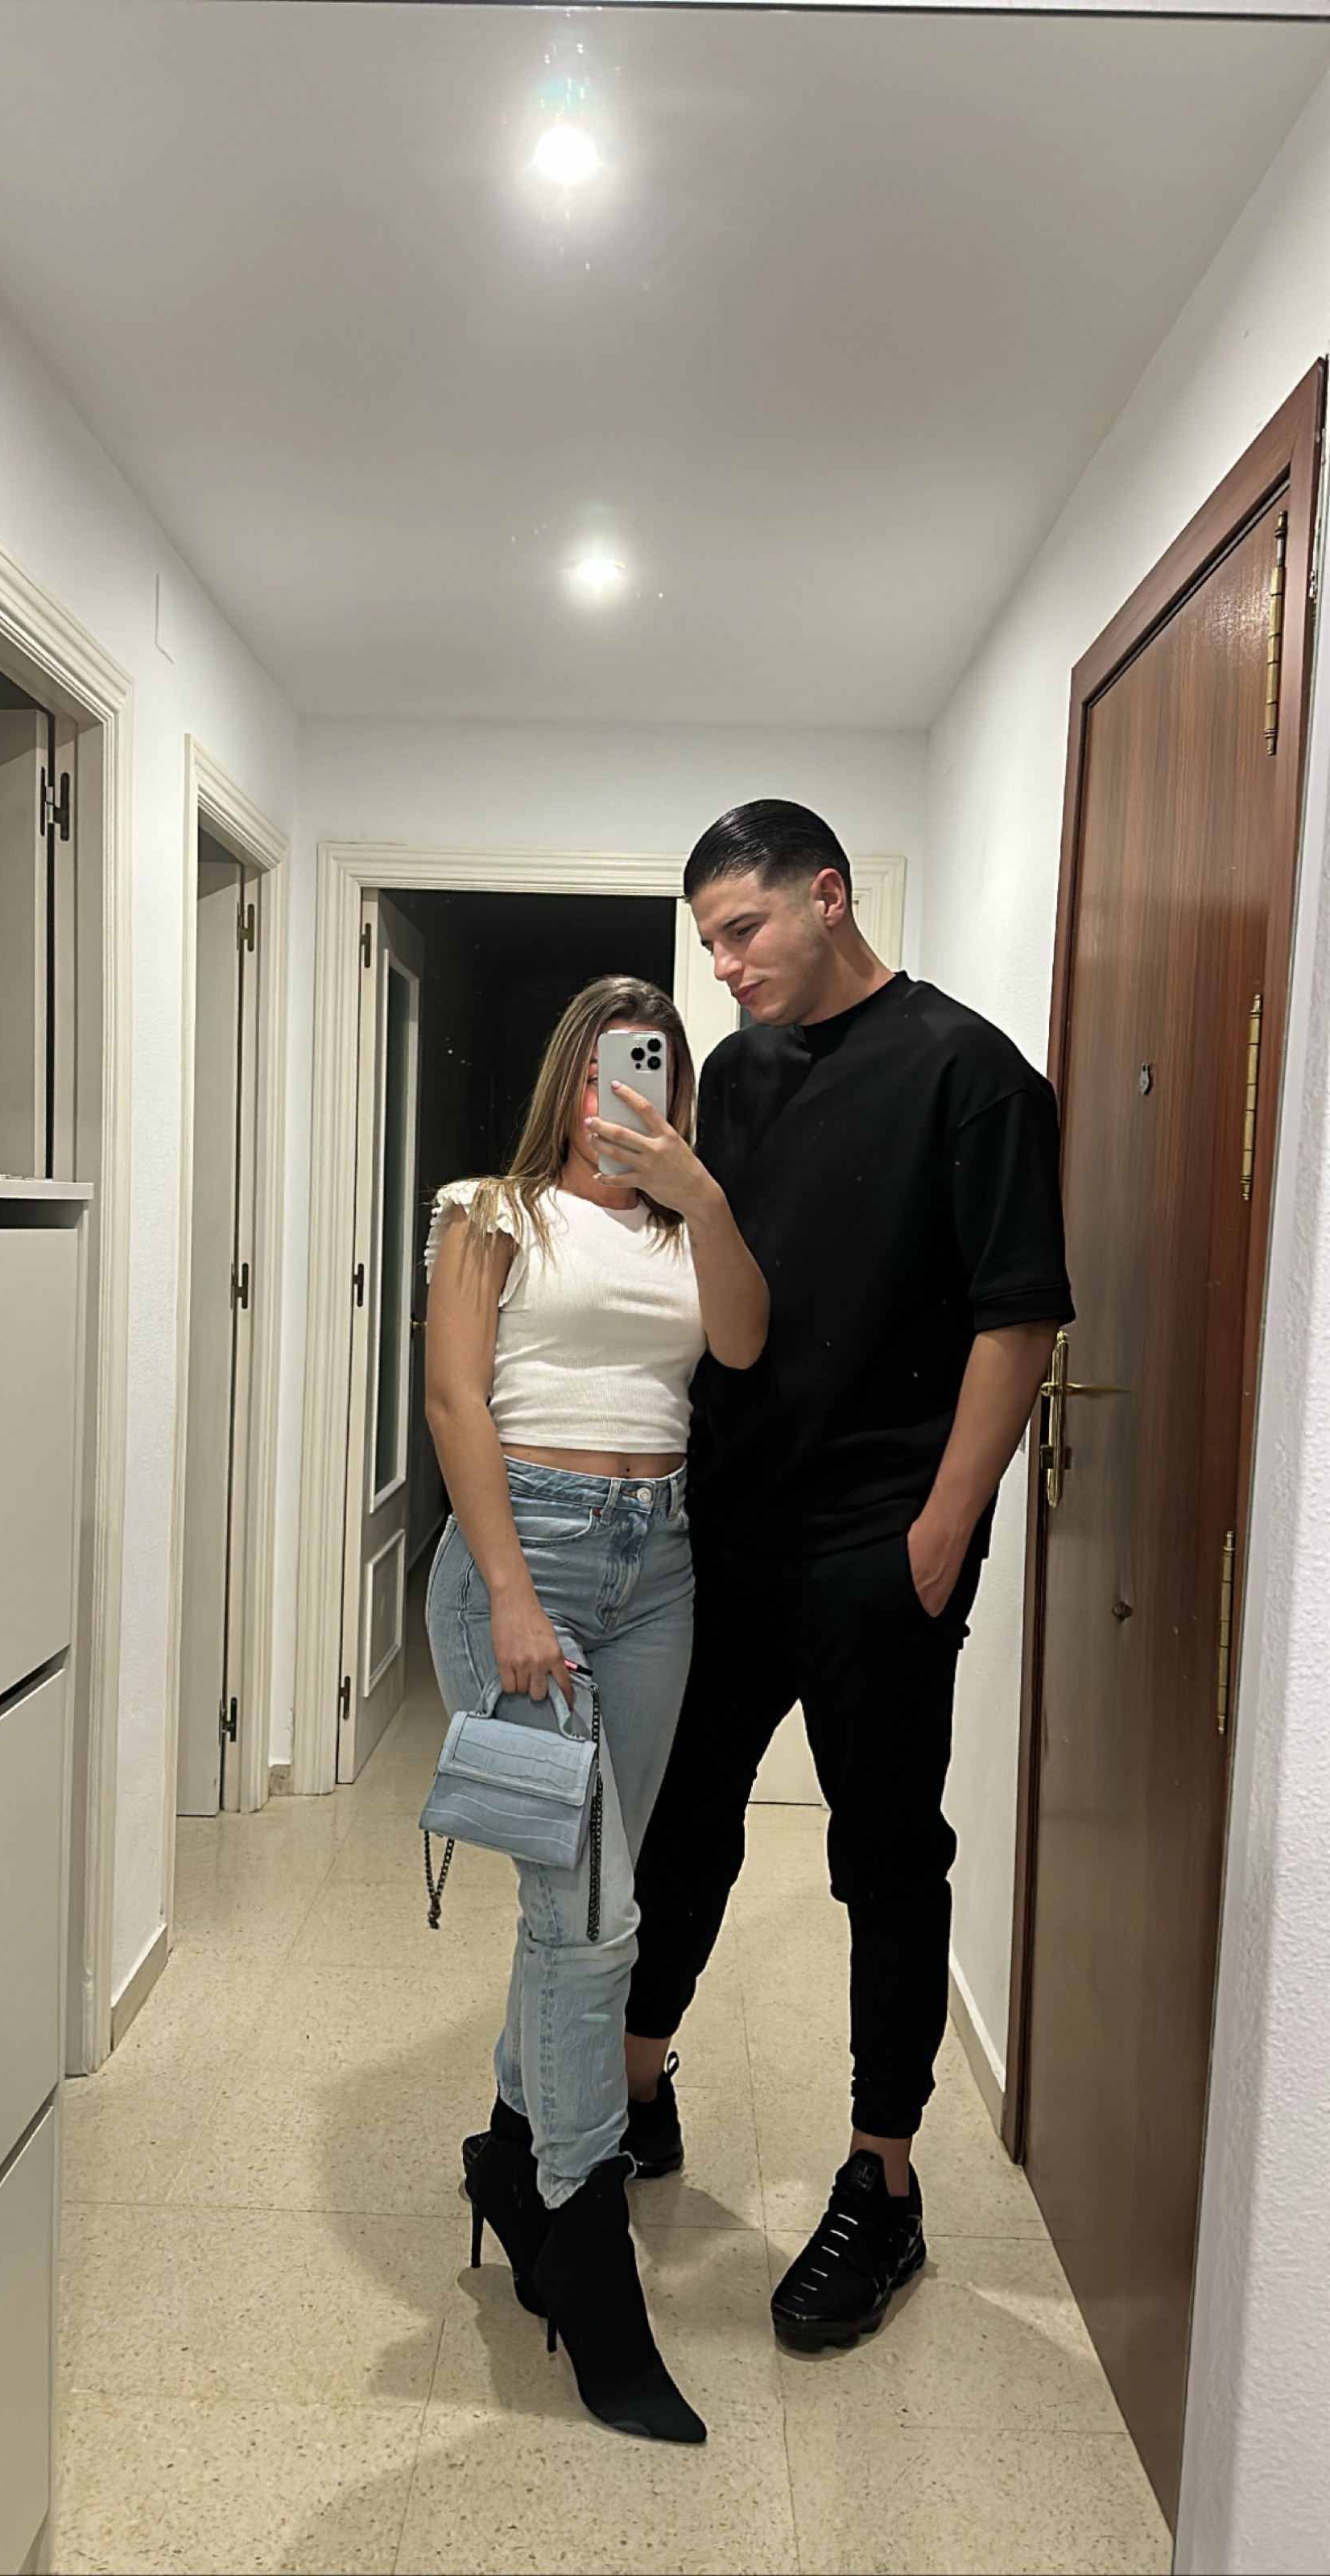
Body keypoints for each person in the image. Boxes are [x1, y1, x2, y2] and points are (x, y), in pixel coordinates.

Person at [622, 800, 1073, 2354]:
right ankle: (636, 2089)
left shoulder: (971, 1072)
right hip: (731, 1526)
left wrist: (943, 1527)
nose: (725, 966)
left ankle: (884, 2184)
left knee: (885, 1857)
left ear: (829, 895)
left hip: (882, 1540)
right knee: (683, 1819)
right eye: (709, 943)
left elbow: (1021, 1315)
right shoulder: (739, 1072)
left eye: (743, 930)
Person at [423, 973, 767, 2444]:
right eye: (605, 1070)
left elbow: (740, 1346)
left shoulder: (691, 1223)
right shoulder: (488, 1213)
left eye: (656, 1069)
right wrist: (510, 1594)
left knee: (571, 1904)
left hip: (657, 1574)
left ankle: (514, 2154)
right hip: (521, 1570)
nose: (625, 1093)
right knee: (595, 1914)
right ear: (567, 1079)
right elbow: (456, 1405)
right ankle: (584, 2235)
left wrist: (704, 1193)